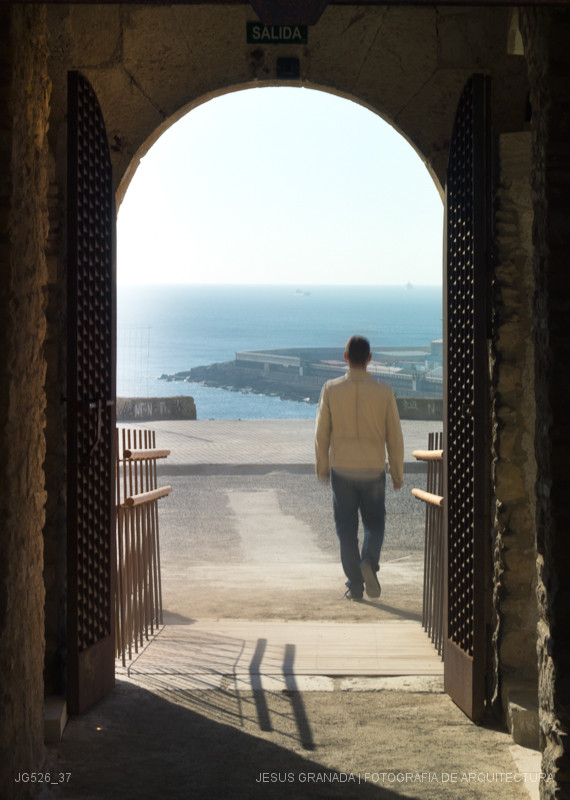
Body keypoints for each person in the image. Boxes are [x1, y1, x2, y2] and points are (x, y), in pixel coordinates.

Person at [315, 335, 404, 601]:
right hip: (373, 471)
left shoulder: (331, 389)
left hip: (342, 471)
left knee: (346, 530)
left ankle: (355, 585)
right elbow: (394, 436)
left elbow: (321, 434)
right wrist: (397, 473)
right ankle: (369, 561)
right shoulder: (384, 391)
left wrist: (322, 467)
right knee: (375, 524)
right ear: (369, 359)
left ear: (345, 357)